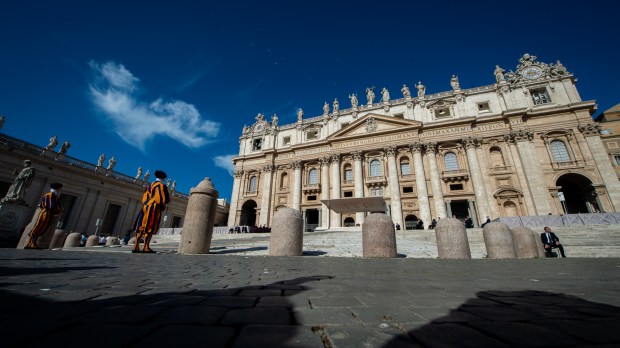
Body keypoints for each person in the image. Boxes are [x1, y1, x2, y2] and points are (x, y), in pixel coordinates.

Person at [133, 170, 170, 253]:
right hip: (154, 207)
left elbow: (145, 197)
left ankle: (136, 246)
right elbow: (163, 199)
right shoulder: (161, 186)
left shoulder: (149, 185)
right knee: (150, 226)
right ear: (163, 178)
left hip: (145, 206)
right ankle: (146, 247)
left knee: (141, 225)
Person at [24, 183, 63, 249]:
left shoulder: (52, 196)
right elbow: (51, 206)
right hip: (46, 213)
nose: (60, 190)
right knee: (39, 227)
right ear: (57, 189)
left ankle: (33, 243)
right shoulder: (50, 195)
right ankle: (30, 243)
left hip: (48, 213)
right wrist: (58, 210)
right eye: (59, 189)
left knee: (42, 229)